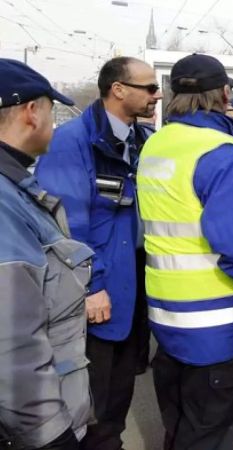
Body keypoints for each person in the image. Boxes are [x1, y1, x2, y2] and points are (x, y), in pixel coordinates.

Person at [135, 53, 233, 450]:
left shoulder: (157, 145)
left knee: (180, 427)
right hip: (215, 324)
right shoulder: (221, 153)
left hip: (167, 316)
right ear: (224, 94)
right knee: (210, 435)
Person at [35, 56, 160, 450]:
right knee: (91, 399)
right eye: (150, 87)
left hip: (132, 283)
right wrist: (93, 285)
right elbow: (67, 225)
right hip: (97, 291)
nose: (157, 95)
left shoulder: (140, 140)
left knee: (119, 391)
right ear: (118, 89)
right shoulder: (72, 143)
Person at [0, 58, 93, 450]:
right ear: (31, 112)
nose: (54, 122)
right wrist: (51, 436)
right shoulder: (5, 201)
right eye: (52, 110)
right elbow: (11, 342)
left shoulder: (15, 187)